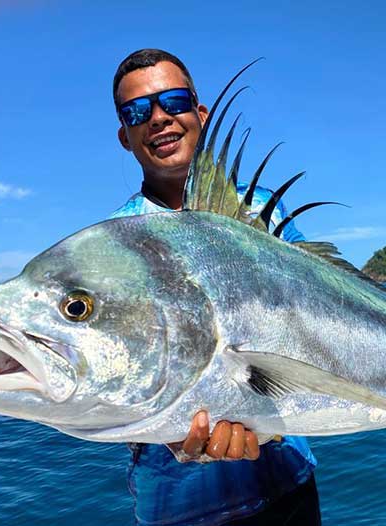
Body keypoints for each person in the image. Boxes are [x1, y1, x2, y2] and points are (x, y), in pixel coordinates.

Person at [110, 49, 321, 526]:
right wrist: (171, 431)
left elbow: (326, 314)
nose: (159, 119)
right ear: (125, 135)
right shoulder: (117, 247)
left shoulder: (265, 213)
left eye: (174, 101)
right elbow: (119, 381)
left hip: (289, 486)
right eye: (138, 111)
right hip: (181, 511)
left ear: (200, 114)